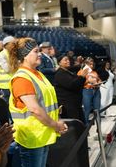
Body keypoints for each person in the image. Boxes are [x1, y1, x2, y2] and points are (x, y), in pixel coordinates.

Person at [8, 37, 68, 167]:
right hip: (32, 137)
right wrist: (55, 125)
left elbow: (48, 103)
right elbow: (35, 109)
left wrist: (58, 120)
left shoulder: (38, 74)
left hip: (43, 134)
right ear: (24, 56)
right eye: (35, 51)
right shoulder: (21, 78)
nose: (40, 54)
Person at [54, 55, 89, 123]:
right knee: (75, 127)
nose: (68, 61)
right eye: (65, 60)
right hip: (68, 106)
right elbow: (72, 85)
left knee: (81, 125)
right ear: (59, 63)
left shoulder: (68, 72)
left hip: (75, 104)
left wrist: (83, 77)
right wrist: (82, 76)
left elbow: (78, 83)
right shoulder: (60, 74)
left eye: (68, 60)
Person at [78, 57, 102, 125]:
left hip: (96, 91)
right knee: (87, 109)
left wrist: (99, 82)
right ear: (85, 64)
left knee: (97, 109)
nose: (91, 66)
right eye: (89, 64)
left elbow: (98, 79)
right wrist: (88, 81)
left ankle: (99, 126)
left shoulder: (94, 72)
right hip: (87, 91)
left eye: (92, 64)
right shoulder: (81, 72)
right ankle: (86, 127)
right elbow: (78, 83)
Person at [0, 36, 15, 102]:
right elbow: (8, 69)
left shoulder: (11, 54)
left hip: (12, 82)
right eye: (12, 44)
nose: (14, 46)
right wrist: (16, 64)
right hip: (5, 84)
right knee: (6, 101)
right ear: (6, 45)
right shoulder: (2, 55)